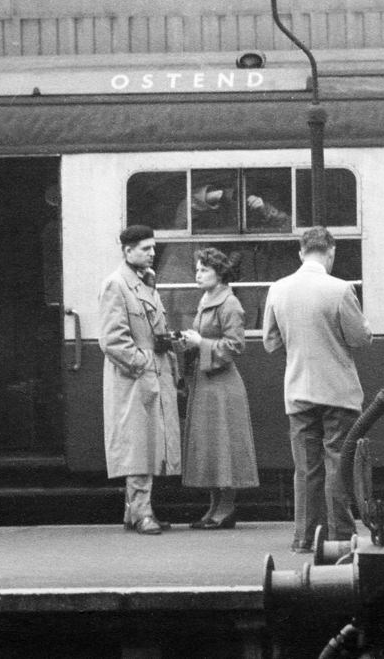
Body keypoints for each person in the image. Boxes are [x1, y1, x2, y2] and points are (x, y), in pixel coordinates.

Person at [263, 226, 372, 553]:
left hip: (297, 391)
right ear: (331, 252)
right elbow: (360, 339)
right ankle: (339, 537)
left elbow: (270, 342)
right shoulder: (340, 289)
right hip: (338, 392)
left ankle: (305, 538)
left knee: (306, 469)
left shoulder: (278, 289)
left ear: (301, 252)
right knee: (337, 463)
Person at [98, 225, 182, 535]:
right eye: (145, 248)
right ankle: (142, 512)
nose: (152, 253)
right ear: (127, 250)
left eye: (153, 247)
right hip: (134, 378)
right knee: (138, 446)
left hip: (152, 373)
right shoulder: (116, 285)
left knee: (150, 444)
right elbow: (112, 340)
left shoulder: (146, 284)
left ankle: (134, 512)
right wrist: (143, 363)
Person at [177, 247, 259, 529]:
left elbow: (235, 346)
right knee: (211, 444)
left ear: (219, 273)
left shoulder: (230, 304)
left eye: (203, 270)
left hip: (222, 383)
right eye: (197, 269)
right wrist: (191, 344)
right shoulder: (207, 298)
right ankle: (214, 506)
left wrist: (201, 344)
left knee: (224, 444)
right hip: (206, 380)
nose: (197, 274)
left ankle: (226, 508)